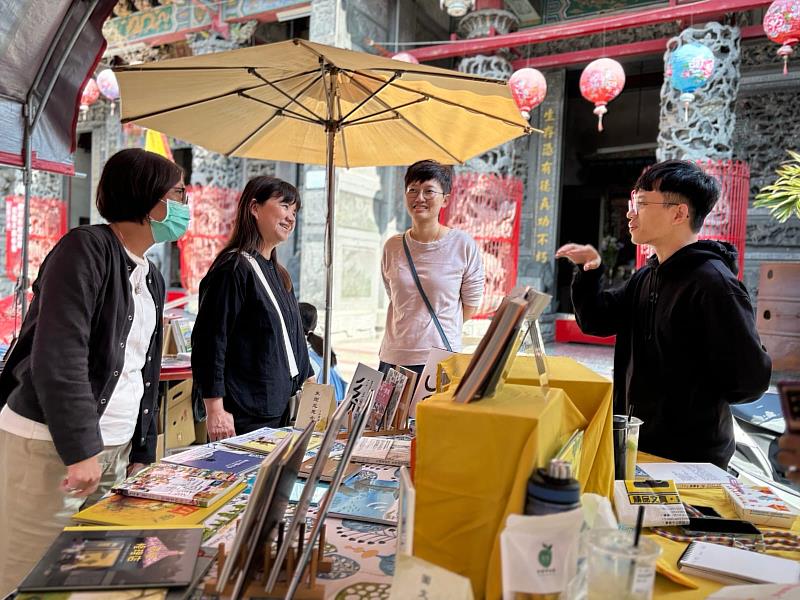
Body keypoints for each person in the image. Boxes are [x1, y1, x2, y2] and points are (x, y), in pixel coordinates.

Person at [0, 148, 189, 596]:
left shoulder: (151, 275)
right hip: (51, 448)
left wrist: (142, 448)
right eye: (178, 194)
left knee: (83, 574)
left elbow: (142, 368)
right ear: (150, 201)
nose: (185, 205)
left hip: (113, 450)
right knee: (20, 570)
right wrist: (81, 449)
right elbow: (59, 356)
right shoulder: (86, 247)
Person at [555, 159, 771, 469]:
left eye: (641, 203)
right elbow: (597, 320)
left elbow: (749, 381)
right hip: (638, 444)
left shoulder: (714, 284)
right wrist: (590, 268)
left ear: (679, 213)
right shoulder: (648, 275)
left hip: (691, 460)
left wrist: (692, 394)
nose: (631, 213)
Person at [192, 176, 312, 441]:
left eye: (295, 211)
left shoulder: (279, 273)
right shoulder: (232, 268)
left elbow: (294, 339)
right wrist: (215, 409)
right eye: (284, 206)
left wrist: (313, 389)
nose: (291, 218)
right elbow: (211, 341)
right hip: (244, 414)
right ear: (254, 208)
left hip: (280, 409)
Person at [379, 159, 484, 377]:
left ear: (445, 200)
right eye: (413, 190)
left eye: (429, 191)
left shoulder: (462, 245)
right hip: (394, 357)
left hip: (439, 358)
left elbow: (470, 306)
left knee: (431, 413)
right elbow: (396, 297)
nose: (419, 198)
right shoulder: (392, 246)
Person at [299, 302, 348, 403]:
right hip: (336, 405)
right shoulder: (321, 348)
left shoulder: (303, 354)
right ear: (315, 325)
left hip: (321, 408)